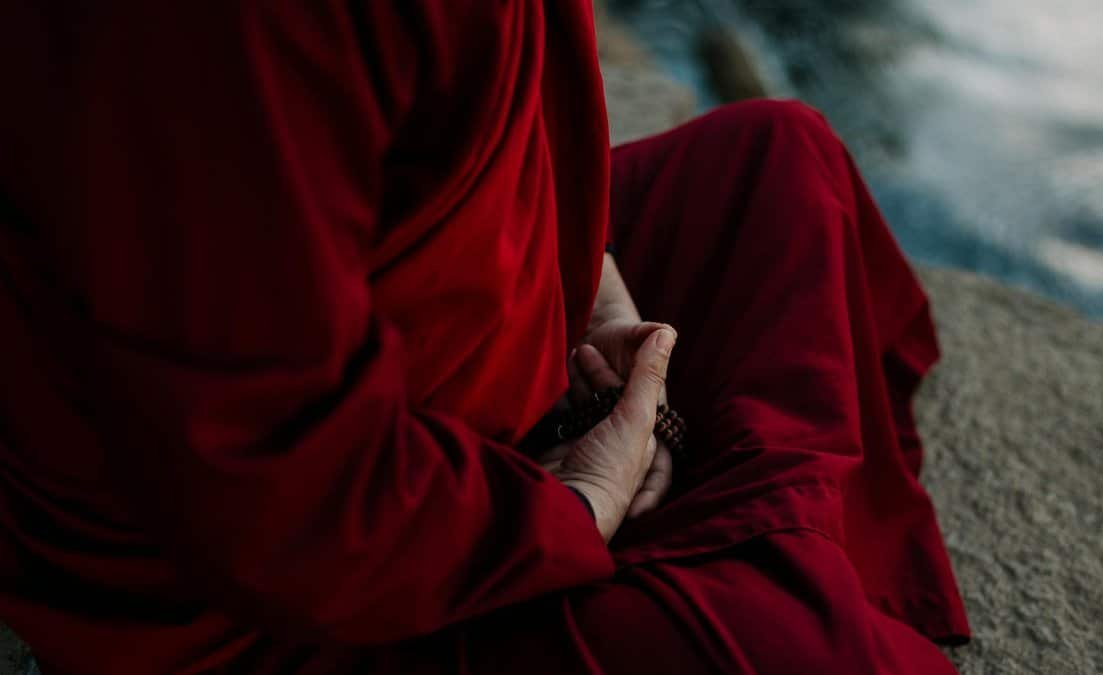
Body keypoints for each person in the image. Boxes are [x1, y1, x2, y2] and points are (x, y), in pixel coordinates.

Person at [0, 3, 969, 673]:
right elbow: (278, 496)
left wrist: (590, 282)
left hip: (461, 372)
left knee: (776, 161)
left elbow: (482, 111)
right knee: (793, 651)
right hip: (273, 603)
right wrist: (578, 504)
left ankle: (732, 565)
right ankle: (742, 570)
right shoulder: (224, 32)